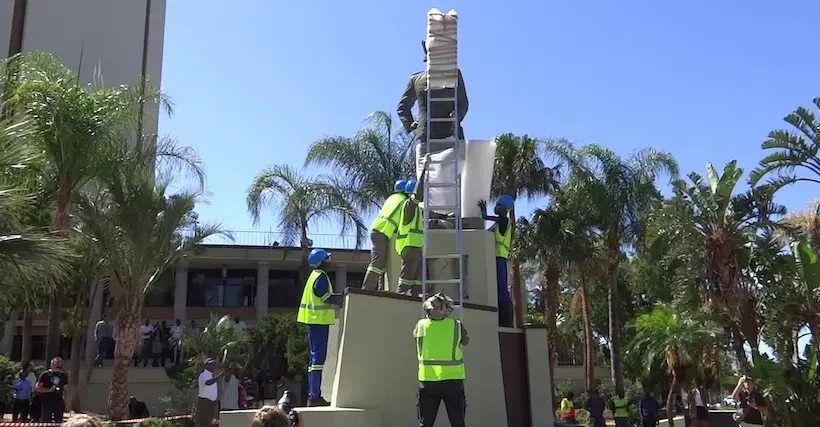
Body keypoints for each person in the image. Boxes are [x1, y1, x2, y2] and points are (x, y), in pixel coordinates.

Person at [397, 41, 469, 149]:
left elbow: (463, 103)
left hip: (451, 133)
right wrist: (411, 124)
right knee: (426, 165)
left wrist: (456, 116)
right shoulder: (416, 79)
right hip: (426, 135)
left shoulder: (454, 74)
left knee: (455, 165)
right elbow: (402, 107)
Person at [414, 292, 468, 427]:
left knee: (425, 423)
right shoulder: (456, 326)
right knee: (458, 422)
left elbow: (415, 337)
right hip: (453, 381)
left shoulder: (421, 325)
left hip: (428, 381)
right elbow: (465, 341)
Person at [296, 248, 339, 407]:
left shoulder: (314, 276)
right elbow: (326, 298)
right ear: (322, 262)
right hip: (318, 323)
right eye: (327, 259)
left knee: (315, 360)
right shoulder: (321, 277)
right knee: (318, 360)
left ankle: (313, 395)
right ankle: (314, 396)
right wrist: (342, 299)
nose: (330, 262)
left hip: (314, 322)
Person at [362, 179, 409, 290]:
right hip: (383, 232)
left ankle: (381, 289)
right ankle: (366, 290)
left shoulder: (392, 198)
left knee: (382, 263)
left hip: (377, 230)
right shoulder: (404, 201)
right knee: (377, 264)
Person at [478, 195, 514, 327]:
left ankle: (505, 316)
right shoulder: (498, 223)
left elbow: (486, 218)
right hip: (495, 258)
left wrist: (483, 211)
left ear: (504, 209)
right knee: (497, 287)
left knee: (502, 289)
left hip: (500, 258)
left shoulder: (504, 220)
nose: (496, 207)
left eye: (498, 205)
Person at [396, 156, 431, 296]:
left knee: (418, 281)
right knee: (406, 280)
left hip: (416, 248)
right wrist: (424, 170)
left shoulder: (419, 210)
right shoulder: (409, 206)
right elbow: (418, 194)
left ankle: (415, 300)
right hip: (409, 247)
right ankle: (399, 301)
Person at [36, 356, 68, 423]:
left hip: (58, 401)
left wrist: (66, 401)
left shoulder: (63, 375)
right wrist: (49, 390)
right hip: (47, 401)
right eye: (52, 363)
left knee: (58, 420)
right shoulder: (45, 374)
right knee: (46, 420)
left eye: (56, 363)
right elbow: (38, 388)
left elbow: (66, 389)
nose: (53, 364)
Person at [196, 358, 223, 427]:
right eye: (211, 364)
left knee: (212, 423)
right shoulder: (204, 375)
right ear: (206, 366)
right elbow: (208, 382)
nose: (213, 366)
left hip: (212, 403)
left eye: (213, 364)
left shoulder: (211, 375)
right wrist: (219, 376)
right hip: (205, 402)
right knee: (206, 422)